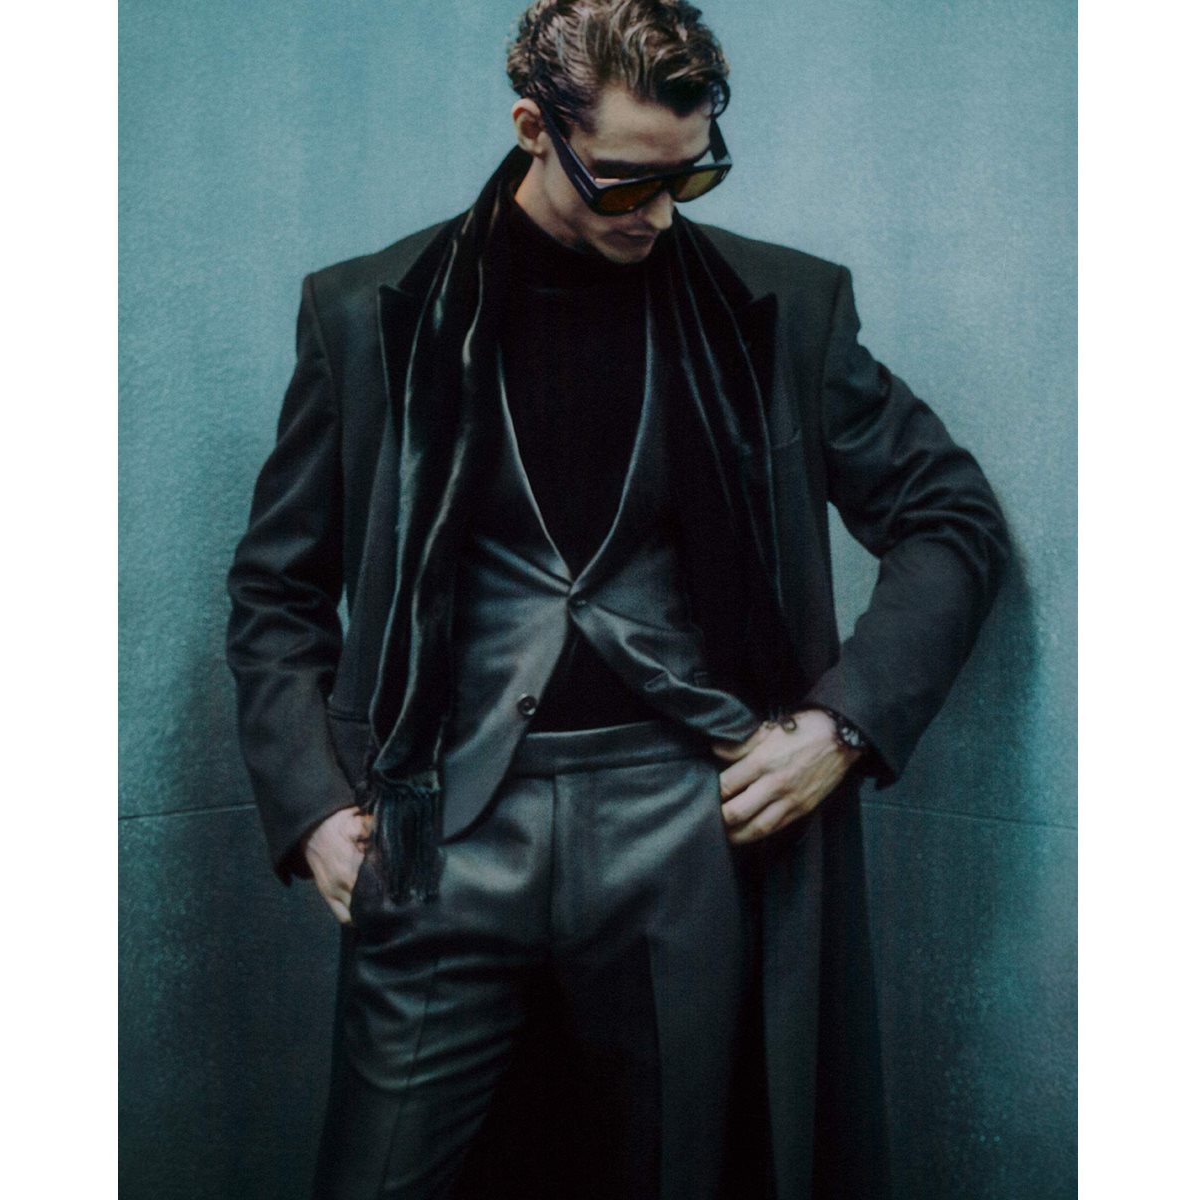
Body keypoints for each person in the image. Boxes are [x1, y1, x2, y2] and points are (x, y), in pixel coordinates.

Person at [225, 2, 1009, 1197]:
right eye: (627, 181)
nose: (661, 212)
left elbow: (950, 518)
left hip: (683, 822)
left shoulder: (779, 307)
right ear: (532, 128)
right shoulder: (366, 312)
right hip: (436, 829)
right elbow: (276, 585)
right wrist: (312, 805)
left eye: (693, 174)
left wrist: (842, 725)